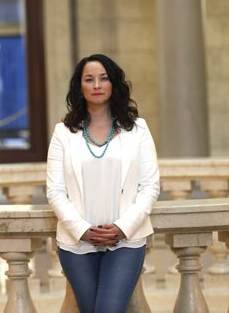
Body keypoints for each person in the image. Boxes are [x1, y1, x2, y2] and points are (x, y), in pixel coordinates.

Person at [46, 53, 160, 312]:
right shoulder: (63, 133)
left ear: (113, 84)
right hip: (77, 244)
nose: (96, 85)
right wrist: (82, 230)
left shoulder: (137, 129)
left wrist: (122, 227)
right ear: (80, 87)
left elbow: (150, 186)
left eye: (103, 78)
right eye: (89, 79)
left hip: (126, 241)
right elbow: (54, 191)